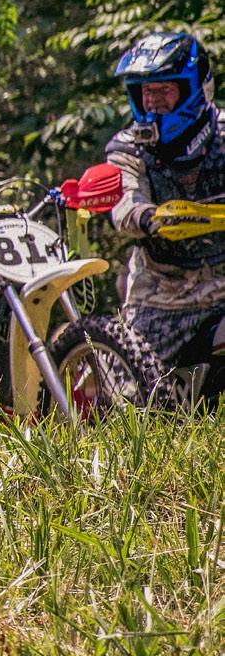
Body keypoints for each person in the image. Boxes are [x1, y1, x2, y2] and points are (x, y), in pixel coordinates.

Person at [102, 30, 225, 399]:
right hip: (160, 298)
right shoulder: (128, 147)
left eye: (164, 90)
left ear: (194, 88)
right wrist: (147, 216)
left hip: (221, 286)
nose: (153, 101)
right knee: (125, 405)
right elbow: (123, 199)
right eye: (146, 91)